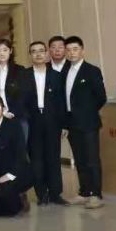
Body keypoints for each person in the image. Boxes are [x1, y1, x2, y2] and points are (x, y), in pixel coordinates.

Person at [63, 36, 106, 208]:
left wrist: (86, 112)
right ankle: (84, 192)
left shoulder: (91, 71)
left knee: (92, 159)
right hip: (71, 123)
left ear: (82, 50)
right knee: (79, 159)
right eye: (68, 50)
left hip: (88, 123)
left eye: (75, 49)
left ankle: (96, 195)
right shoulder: (65, 71)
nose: (71, 53)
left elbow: (101, 97)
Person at [24, 41, 68, 205]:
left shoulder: (56, 76)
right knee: (36, 159)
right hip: (32, 120)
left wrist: (64, 124)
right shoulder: (24, 75)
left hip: (52, 120)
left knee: (53, 157)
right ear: (30, 55)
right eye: (34, 51)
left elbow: (61, 102)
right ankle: (41, 194)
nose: (38, 54)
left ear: (46, 53)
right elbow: (21, 100)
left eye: (41, 51)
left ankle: (56, 193)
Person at [0, 94, 33, 217]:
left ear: (3, 109)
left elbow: (20, 154)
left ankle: (20, 199)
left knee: (7, 205)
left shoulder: (13, 126)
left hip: (17, 172)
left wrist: (8, 176)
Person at [0, 39, 29, 142]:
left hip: (17, 116)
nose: (2, 53)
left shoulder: (20, 70)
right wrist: (0, 112)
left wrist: (12, 112)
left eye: (5, 50)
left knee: (19, 147)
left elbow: (23, 95)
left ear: (10, 51)